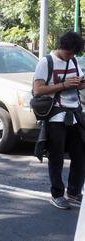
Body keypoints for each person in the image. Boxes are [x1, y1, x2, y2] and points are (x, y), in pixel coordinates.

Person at [33, 31, 85, 210]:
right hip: (56, 116)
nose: (71, 56)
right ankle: (56, 194)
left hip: (75, 114)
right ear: (62, 47)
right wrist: (64, 85)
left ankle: (73, 192)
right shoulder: (46, 62)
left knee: (80, 155)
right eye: (69, 52)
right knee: (56, 158)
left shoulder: (73, 60)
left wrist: (80, 82)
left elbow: (78, 83)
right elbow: (38, 90)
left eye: (74, 53)